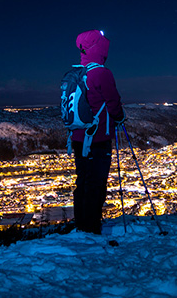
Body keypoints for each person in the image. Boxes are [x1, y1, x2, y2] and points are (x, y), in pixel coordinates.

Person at [71, 29, 125, 234]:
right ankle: (91, 227)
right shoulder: (102, 73)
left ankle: (81, 224)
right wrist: (119, 117)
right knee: (97, 182)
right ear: (100, 48)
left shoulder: (77, 73)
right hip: (98, 138)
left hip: (78, 138)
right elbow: (113, 103)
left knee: (83, 180)